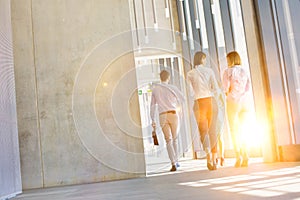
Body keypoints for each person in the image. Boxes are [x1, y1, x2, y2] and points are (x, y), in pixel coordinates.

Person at [187, 51, 221, 170]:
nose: (205, 61)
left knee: (203, 132)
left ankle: (208, 158)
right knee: (213, 131)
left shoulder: (190, 74)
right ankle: (214, 158)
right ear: (202, 59)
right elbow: (216, 89)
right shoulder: (209, 71)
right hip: (211, 101)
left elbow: (191, 93)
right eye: (204, 59)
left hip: (198, 103)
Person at [150, 70, 185, 172]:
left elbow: (152, 106)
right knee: (175, 139)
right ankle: (177, 160)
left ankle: (173, 163)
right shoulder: (172, 88)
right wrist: (176, 104)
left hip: (162, 116)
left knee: (168, 140)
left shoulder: (155, 89)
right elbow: (182, 99)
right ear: (168, 78)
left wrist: (152, 119)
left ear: (160, 78)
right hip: (173, 114)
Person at [223, 51, 250, 167]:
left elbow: (225, 87)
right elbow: (248, 87)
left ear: (231, 60)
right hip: (244, 102)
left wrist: (228, 93)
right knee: (244, 129)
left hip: (233, 101)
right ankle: (246, 155)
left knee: (234, 130)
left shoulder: (228, 71)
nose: (227, 62)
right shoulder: (244, 70)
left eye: (228, 59)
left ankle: (238, 156)